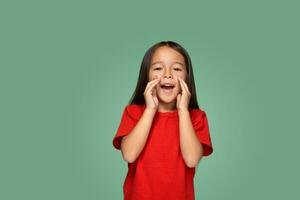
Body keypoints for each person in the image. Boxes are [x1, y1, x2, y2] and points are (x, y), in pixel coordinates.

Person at [112, 41, 214, 200]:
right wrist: (150, 109)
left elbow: (192, 159)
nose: (167, 74)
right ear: (146, 76)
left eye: (177, 69)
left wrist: (183, 111)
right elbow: (129, 155)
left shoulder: (196, 117)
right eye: (158, 68)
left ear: (187, 78)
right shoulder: (133, 113)